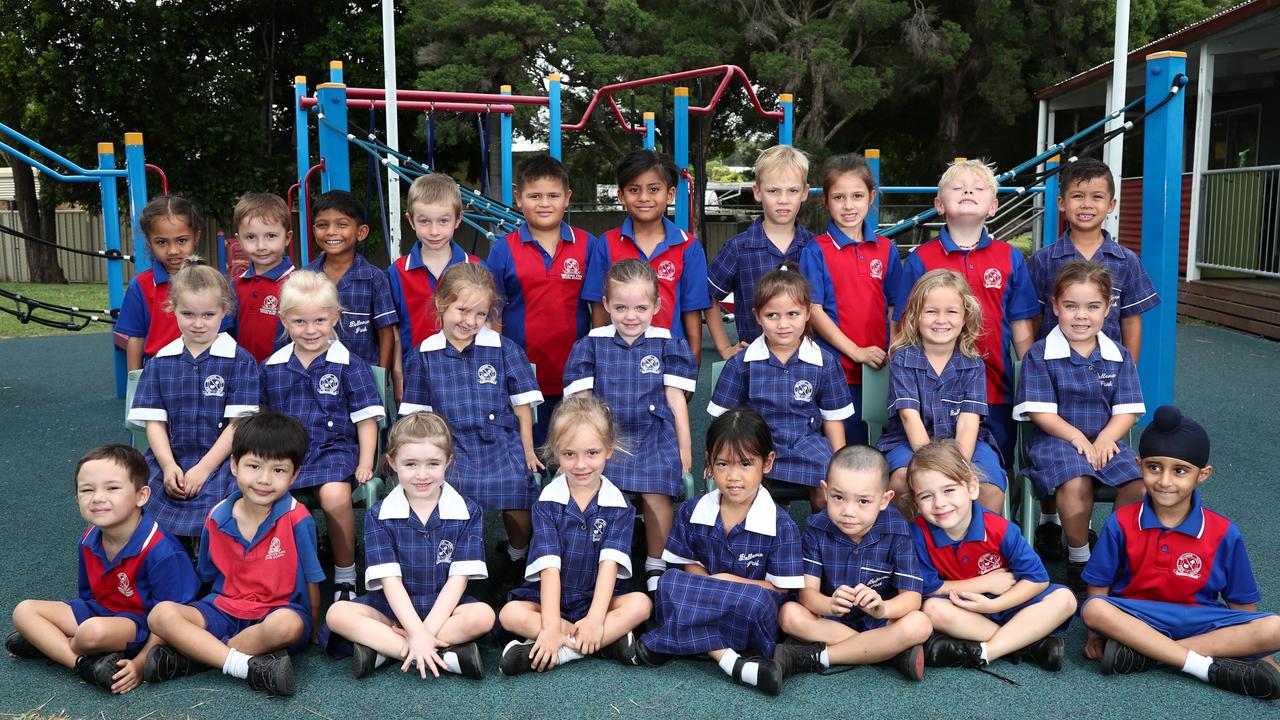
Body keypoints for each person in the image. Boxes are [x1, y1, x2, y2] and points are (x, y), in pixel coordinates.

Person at [1080, 405, 1280, 699]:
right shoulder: (1121, 522)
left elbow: (1242, 605)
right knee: (1094, 609)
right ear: (1139, 465)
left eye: (1180, 471)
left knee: (1275, 627)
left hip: (1201, 619)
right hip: (1138, 616)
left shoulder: (1225, 531)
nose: (1164, 481)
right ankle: (1202, 665)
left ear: (1203, 474)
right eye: (1154, 467)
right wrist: (1094, 635)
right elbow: (1099, 586)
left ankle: (1145, 655)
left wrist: (1258, 650)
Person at [1025, 157, 1160, 561]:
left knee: (1125, 474)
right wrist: (1034, 358)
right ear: (1062, 203)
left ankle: (1112, 554)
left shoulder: (1126, 260)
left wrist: (1126, 369)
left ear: (1112, 204)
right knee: (1065, 467)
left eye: (1097, 196)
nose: (1087, 204)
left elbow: (1132, 320)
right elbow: (1031, 318)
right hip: (1057, 372)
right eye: (1078, 195)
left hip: (1106, 377)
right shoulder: (1045, 259)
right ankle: (1054, 527)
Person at [625, 408, 806, 696]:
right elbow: (690, 568)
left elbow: (778, 590)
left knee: (758, 602)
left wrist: (727, 581)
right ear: (709, 463)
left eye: (745, 464)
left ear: (767, 462)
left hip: (747, 610)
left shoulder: (781, 524)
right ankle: (730, 660)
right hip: (710, 603)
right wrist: (714, 585)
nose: (733, 477)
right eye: (722, 465)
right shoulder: (692, 511)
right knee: (668, 583)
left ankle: (673, 640)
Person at [143, 412, 325, 697]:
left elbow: (313, 578)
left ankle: (194, 658)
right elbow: (207, 576)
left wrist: (314, 624)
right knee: (160, 615)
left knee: (284, 626)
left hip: (277, 611)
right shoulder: (216, 516)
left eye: (278, 470)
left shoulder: (297, 517)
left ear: (295, 474)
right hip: (224, 608)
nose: (264, 480)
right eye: (254, 466)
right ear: (234, 465)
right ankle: (244, 665)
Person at [7, 445, 199, 694]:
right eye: (87, 490)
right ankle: (82, 664)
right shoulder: (88, 540)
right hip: (99, 613)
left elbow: (171, 619)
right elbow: (87, 598)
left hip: (140, 624)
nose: (97, 497)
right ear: (77, 499)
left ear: (141, 496)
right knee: (24, 611)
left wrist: (140, 664)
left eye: (112, 488)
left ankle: (52, 644)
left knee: (91, 633)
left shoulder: (161, 550)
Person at [399, 263, 543, 589]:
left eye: (480, 314)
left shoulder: (504, 349)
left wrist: (528, 452)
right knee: (442, 487)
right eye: (462, 311)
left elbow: (522, 407)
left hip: (500, 440)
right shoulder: (423, 355)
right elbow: (416, 418)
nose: (470, 322)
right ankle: (448, 560)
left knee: (518, 487)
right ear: (442, 305)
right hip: (449, 445)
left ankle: (517, 555)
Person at [323, 412, 493, 680]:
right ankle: (442, 654)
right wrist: (417, 634)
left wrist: (422, 633)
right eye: (411, 464)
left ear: (448, 461)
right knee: (337, 614)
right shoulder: (378, 514)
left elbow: (457, 582)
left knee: (483, 616)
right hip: (391, 606)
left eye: (433, 463)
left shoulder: (468, 512)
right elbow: (390, 582)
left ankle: (385, 650)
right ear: (392, 461)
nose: (422, 475)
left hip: (444, 608)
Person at [563, 259, 697, 595]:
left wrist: (684, 450)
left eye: (640, 307)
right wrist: (589, 447)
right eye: (620, 307)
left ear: (656, 305)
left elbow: (676, 401)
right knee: (597, 489)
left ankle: (656, 561)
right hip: (605, 435)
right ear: (606, 305)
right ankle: (600, 558)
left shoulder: (667, 343)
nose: (631, 316)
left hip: (653, 435)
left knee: (655, 490)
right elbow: (582, 405)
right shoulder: (592, 344)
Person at [895, 159, 1039, 470]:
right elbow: (902, 323)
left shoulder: (1010, 257)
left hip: (994, 387)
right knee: (926, 469)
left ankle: (995, 520)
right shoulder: (921, 259)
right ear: (939, 204)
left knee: (995, 467)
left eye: (978, 188)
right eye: (958, 188)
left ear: (994, 206)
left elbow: (1021, 325)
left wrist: (1030, 377)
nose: (968, 192)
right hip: (928, 391)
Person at [1014, 261, 1145, 593]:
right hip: (1056, 440)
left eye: (1092, 306)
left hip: (1105, 439)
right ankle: (1080, 558)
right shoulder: (1040, 355)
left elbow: (1127, 411)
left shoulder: (1118, 355)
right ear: (1055, 307)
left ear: (1108, 308)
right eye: (1071, 306)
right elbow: (1042, 413)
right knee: (1076, 479)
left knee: (1139, 483)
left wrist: (1105, 438)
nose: (1081, 315)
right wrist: (1076, 437)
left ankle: (1111, 555)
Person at [498, 396, 653, 675]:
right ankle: (603, 644)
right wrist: (550, 624)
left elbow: (609, 568)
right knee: (509, 614)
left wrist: (594, 619)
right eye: (569, 454)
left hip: (599, 599)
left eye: (592, 453)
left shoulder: (619, 506)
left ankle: (561, 653)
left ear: (608, 450)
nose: (581, 464)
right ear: (556, 452)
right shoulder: (547, 502)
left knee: (641, 605)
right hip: (550, 598)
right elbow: (549, 569)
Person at [260, 270, 385, 601]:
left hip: (335, 451)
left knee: (334, 495)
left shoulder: (349, 364)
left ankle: (345, 573)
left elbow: (366, 417)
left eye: (319, 320)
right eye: (300, 322)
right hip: (286, 455)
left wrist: (365, 461)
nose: (310, 330)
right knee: (264, 495)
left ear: (335, 318)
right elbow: (262, 420)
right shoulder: (272, 366)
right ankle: (275, 572)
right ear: (284, 319)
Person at [908, 441, 1076, 671]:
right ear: (916, 503)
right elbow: (926, 588)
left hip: (1011, 603)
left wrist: (993, 605)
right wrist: (984, 583)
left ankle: (986, 652)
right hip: (965, 612)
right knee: (932, 610)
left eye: (949, 490)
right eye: (926, 496)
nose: (939, 504)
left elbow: (1037, 579)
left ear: (972, 488)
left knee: (1065, 599)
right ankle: (1031, 644)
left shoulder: (1000, 528)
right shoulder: (918, 534)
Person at [126, 257, 259, 542]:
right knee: (136, 497)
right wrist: (168, 466)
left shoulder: (240, 361)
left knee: (228, 501)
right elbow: (155, 424)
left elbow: (238, 426)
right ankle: (162, 560)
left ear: (224, 311)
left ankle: (209, 564)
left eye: (208, 315)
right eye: (188, 314)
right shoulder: (160, 362)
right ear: (172, 309)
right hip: (170, 459)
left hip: (222, 462)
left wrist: (203, 469)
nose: (198, 324)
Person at [775, 444, 932, 680]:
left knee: (920, 623)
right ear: (825, 491)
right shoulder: (817, 529)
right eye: (838, 497)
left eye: (863, 502)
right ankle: (889, 653)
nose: (848, 511)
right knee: (789, 614)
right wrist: (829, 604)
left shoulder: (897, 529)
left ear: (885, 499)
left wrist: (883, 608)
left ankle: (820, 657)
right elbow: (808, 596)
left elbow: (911, 598)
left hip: (879, 621)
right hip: (830, 620)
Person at [708, 265, 851, 510]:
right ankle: (760, 543)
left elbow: (833, 420)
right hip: (755, 444)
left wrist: (841, 464)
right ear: (757, 316)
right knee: (747, 488)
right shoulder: (742, 364)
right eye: (772, 315)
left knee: (827, 485)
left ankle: (821, 543)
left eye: (793, 314)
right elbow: (721, 418)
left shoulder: (825, 363)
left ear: (808, 313)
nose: (783, 324)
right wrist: (715, 458)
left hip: (806, 443)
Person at [486, 154, 601, 446]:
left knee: (573, 447)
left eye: (553, 195)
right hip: (521, 372)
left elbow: (599, 309)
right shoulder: (503, 249)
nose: (544, 203)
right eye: (534, 195)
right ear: (518, 199)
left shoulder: (588, 245)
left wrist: (598, 358)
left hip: (575, 372)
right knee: (529, 451)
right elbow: (492, 313)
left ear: (567, 198)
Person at [878, 269, 1005, 515]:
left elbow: (969, 422)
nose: (941, 320)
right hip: (910, 442)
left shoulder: (973, 363)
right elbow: (909, 416)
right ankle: (911, 548)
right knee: (904, 480)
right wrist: (934, 466)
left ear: (965, 317)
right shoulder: (903, 359)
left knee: (988, 485)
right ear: (916, 316)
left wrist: (955, 465)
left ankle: (978, 547)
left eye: (951, 311)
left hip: (965, 444)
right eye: (931, 311)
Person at [800, 153, 905, 445]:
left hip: (879, 367)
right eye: (839, 197)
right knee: (844, 451)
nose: (849, 206)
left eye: (857, 196)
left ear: (871, 197)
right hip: (835, 370)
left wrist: (892, 351)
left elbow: (895, 308)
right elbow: (814, 310)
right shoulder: (816, 250)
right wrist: (855, 351)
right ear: (826, 201)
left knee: (881, 448)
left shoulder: (886, 248)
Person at [581, 149, 712, 365]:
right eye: (634, 189)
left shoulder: (688, 247)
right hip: (618, 360)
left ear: (669, 194)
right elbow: (599, 308)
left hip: (670, 358)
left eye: (653, 189)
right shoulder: (606, 243)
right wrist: (600, 356)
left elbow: (692, 310)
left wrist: (693, 360)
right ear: (621, 196)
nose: (644, 198)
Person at [707, 145, 815, 357]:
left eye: (792, 190)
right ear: (757, 191)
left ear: (804, 192)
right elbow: (709, 296)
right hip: (754, 362)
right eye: (773, 191)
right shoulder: (738, 248)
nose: (783, 199)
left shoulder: (815, 247)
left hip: (806, 362)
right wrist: (724, 347)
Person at [387, 174, 482, 401]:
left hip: (466, 377)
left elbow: (488, 325)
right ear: (410, 220)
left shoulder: (476, 269)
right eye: (424, 221)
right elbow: (394, 332)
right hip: (416, 378)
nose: (434, 231)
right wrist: (398, 376)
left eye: (443, 221)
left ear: (458, 219)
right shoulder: (397, 272)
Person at [117, 196, 229, 370]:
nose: (173, 250)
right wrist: (135, 382)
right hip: (159, 372)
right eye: (162, 242)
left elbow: (224, 333)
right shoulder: (141, 285)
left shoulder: (212, 282)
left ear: (196, 237)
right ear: (149, 242)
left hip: (207, 370)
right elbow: (136, 338)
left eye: (181, 240)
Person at [307, 189, 399, 370]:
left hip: (363, 378)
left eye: (342, 225)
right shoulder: (305, 278)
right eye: (322, 225)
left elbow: (386, 332)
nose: (331, 232)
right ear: (314, 230)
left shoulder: (374, 278)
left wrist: (382, 376)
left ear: (361, 232)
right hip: (314, 374)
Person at [229, 193, 295, 361]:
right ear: (239, 240)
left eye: (271, 236)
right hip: (242, 376)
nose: (261, 246)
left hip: (282, 377)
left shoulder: (298, 285)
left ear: (287, 238)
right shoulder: (235, 285)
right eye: (251, 237)